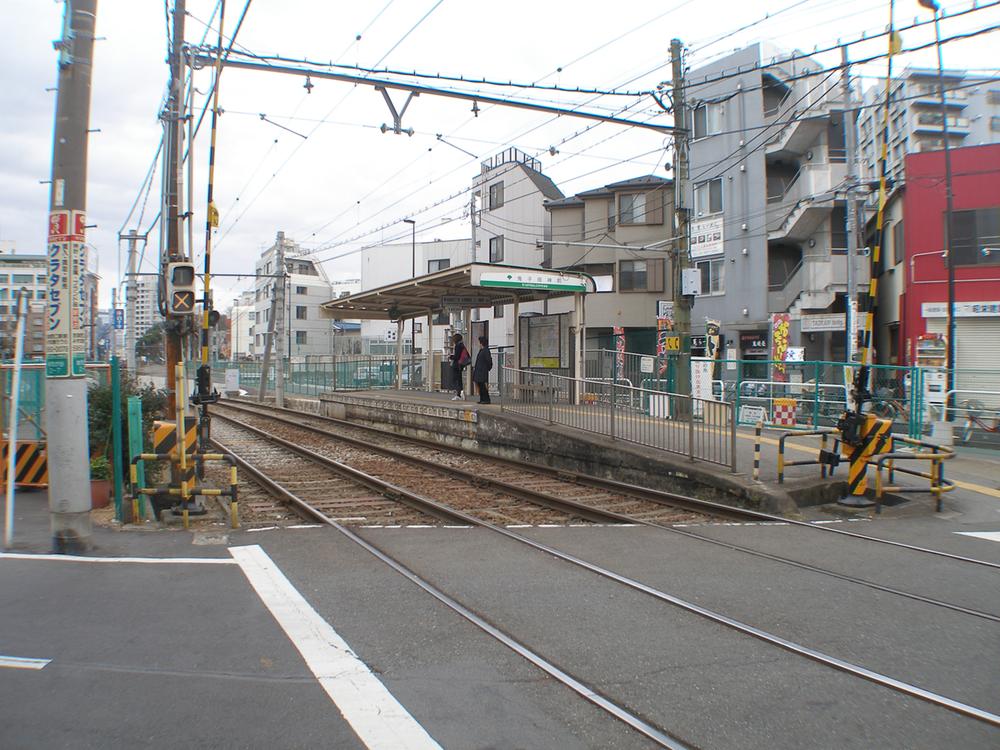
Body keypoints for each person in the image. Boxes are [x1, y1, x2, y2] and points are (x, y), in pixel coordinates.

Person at [472, 335, 493, 404]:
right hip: (479, 370)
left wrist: (488, 368)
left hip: (482, 370)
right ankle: (482, 399)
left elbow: (489, 360)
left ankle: (486, 399)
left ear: (481, 343)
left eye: (479, 342)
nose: (478, 344)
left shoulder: (486, 350)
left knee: (482, 386)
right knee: (480, 385)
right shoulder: (482, 350)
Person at [449, 332, 470, 400]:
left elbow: (457, 356)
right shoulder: (462, 345)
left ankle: (460, 392)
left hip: (457, 365)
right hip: (460, 365)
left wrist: (451, 357)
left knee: (455, 380)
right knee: (459, 379)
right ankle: (459, 394)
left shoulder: (458, 346)